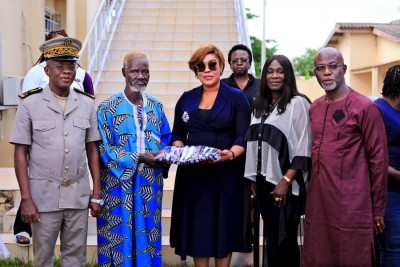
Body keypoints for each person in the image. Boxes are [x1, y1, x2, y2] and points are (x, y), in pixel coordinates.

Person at [10, 37, 102, 267]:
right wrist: (27, 199)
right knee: (43, 259)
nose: (66, 71)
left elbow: (92, 148)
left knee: (76, 258)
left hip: (77, 193)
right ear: (47, 69)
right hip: (43, 196)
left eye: (71, 65)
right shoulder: (29, 104)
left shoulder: (87, 103)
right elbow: (21, 152)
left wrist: (96, 192)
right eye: (60, 66)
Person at [302, 47, 388, 266]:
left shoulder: (365, 108)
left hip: (353, 204)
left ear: (344, 69)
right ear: (316, 73)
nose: (327, 73)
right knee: (319, 256)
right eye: (321, 68)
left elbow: (379, 161)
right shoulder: (315, 108)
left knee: (353, 256)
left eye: (333, 66)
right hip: (319, 204)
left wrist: (378, 208)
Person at [169, 44, 252, 267]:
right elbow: (178, 133)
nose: (206, 69)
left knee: (222, 227)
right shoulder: (186, 98)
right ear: (195, 70)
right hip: (193, 176)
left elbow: (243, 136)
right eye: (200, 66)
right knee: (199, 227)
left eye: (211, 64)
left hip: (225, 174)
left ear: (221, 67)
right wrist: (178, 149)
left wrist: (231, 154)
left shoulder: (236, 98)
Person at [96, 51, 171, 267]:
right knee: (118, 232)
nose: (141, 75)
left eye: (145, 71)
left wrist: (163, 156)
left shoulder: (156, 106)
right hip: (118, 184)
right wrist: (138, 157)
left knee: (148, 230)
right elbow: (103, 147)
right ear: (124, 73)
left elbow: (166, 138)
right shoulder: (107, 108)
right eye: (135, 70)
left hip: (149, 183)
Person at [244, 54, 312, 267]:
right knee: (272, 238)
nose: (274, 76)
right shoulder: (259, 105)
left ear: (288, 75)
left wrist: (285, 180)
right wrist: (253, 177)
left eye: (280, 71)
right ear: (263, 76)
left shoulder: (298, 103)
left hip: (285, 186)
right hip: (264, 184)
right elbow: (255, 143)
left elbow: (304, 145)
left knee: (285, 239)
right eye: (270, 71)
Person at [375, 65, 400, 266]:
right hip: (388, 191)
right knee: (392, 248)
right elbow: (369, 156)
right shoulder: (377, 111)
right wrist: (395, 174)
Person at [22, 29, 94, 95]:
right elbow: (28, 104)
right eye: (56, 44)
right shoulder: (35, 72)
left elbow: (89, 103)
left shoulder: (82, 74)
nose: (62, 48)